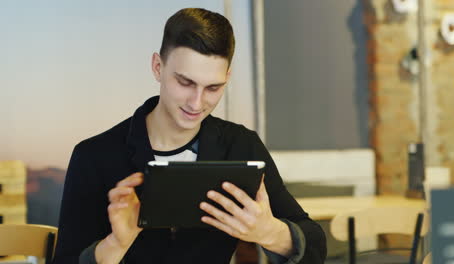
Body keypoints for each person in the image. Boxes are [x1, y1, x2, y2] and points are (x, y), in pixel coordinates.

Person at [53, 7, 326, 264]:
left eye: (213, 88)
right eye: (185, 82)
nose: (197, 103)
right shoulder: (94, 156)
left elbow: (315, 245)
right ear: (158, 67)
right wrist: (117, 243)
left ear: (227, 78)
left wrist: (270, 232)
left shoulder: (241, 145)